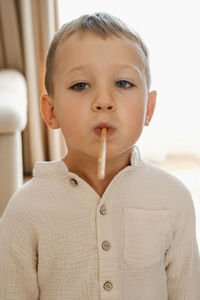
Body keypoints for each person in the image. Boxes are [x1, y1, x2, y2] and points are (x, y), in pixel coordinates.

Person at [0, 12, 199, 300]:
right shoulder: (25, 211)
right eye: (81, 85)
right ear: (51, 112)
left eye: (123, 83)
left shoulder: (175, 198)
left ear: (149, 109)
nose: (104, 101)